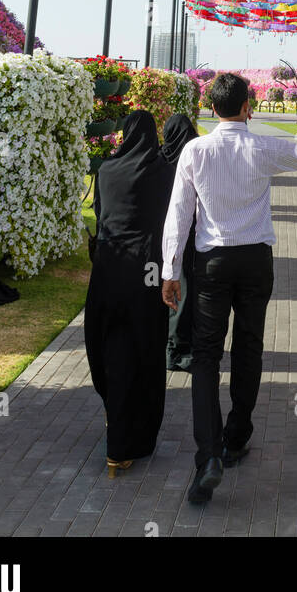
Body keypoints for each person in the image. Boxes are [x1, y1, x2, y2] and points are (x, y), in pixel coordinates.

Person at [162, 72, 297, 506]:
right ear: (248, 106)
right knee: (249, 346)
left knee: (206, 354)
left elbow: (178, 214)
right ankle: (236, 436)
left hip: (211, 262)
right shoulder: (262, 145)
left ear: (212, 108)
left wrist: (170, 271)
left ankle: (208, 453)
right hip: (255, 260)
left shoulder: (196, 149)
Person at [85, 111, 174, 477]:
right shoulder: (161, 170)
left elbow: (101, 216)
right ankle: (132, 437)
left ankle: (116, 422)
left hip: (108, 269)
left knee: (108, 344)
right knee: (145, 351)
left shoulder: (105, 170)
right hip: (146, 272)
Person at [159, 113, 200, 372]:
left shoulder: (159, 162)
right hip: (191, 238)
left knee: (173, 294)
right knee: (184, 294)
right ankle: (180, 349)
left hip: (165, 241)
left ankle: (171, 347)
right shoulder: (196, 158)